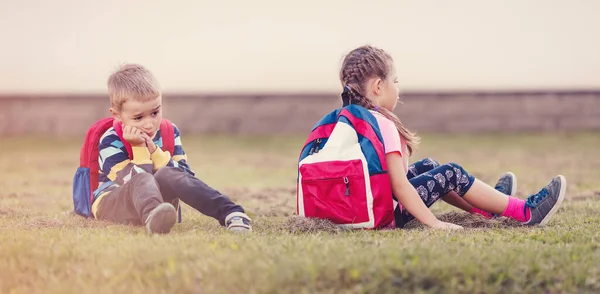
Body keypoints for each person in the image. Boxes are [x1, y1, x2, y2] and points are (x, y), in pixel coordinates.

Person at [337, 45, 566, 230]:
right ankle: (526, 212)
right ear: (378, 86)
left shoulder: (346, 120)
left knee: (431, 166)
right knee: (451, 173)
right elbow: (400, 186)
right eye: (395, 82)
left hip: (364, 205)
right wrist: (435, 223)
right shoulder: (382, 124)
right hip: (386, 212)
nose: (398, 88)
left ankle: (486, 207)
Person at [92, 63, 252, 234]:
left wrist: (156, 152)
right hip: (113, 203)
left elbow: (185, 177)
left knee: (168, 173)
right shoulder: (110, 140)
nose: (149, 124)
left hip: (158, 201)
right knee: (142, 179)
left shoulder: (169, 131)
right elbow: (135, 183)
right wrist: (139, 148)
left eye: (155, 112)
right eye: (138, 117)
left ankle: (230, 212)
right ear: (117, 115)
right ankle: (154, 217)